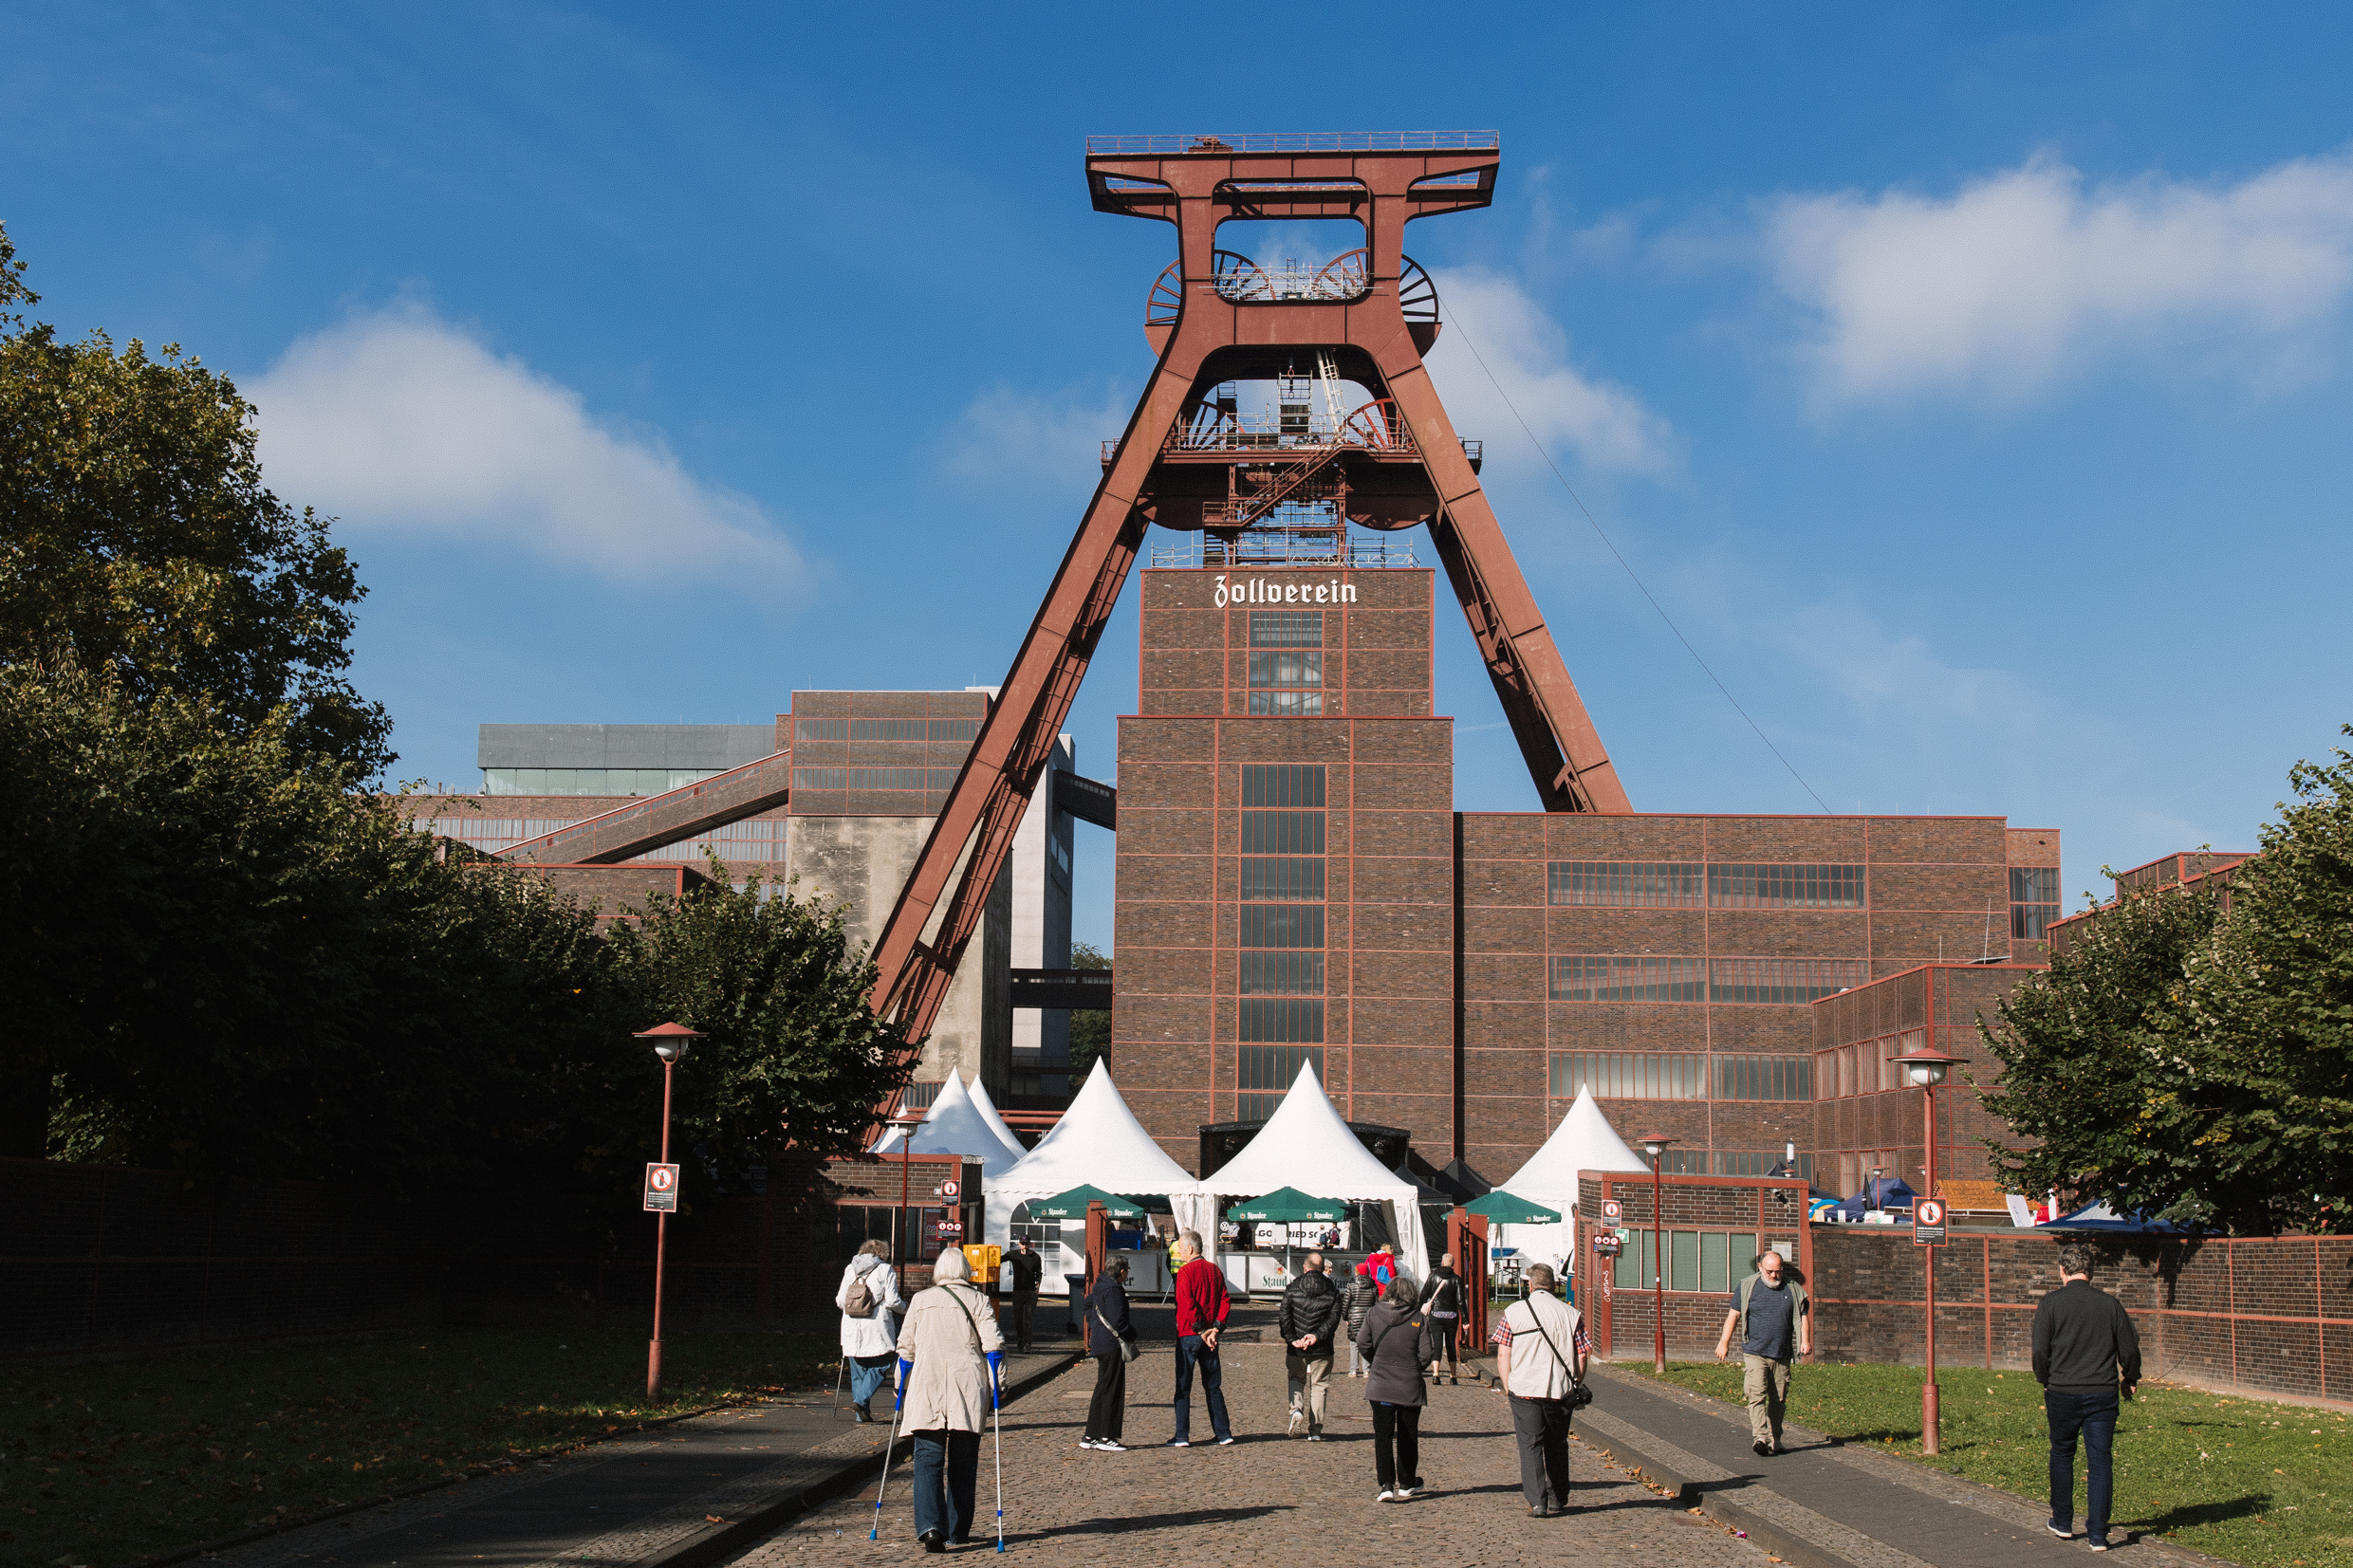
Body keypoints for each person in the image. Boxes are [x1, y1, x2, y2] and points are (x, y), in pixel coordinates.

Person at [894, 1246, 1005, 1552]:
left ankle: (930, 1527)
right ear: (966, 1271)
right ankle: (957, 1530)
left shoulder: (921, 1300)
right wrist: (999, 1385)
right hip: (966, 1387)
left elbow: (906, 1349)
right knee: (963, 1462)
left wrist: (900, 1385)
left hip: (926, 1385)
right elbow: (993, 1347)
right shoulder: (979, 1300)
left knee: (927, 1461)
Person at [2033, 1240, 2142, 1552]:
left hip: (2062, 1391)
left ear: (2062, 1270)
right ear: (2090, 1272)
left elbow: (2041, 1351)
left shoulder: (2051, 1304)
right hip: (2102, 1393)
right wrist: (2130, 1377)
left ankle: (2063, 1521)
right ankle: (2097, 1534)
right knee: (2100, 1461)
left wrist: (2045, 1378)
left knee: (2062, 1454)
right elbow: (2129, 1347)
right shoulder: (2110, 1305)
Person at [1492, 1263, 1590, 1518]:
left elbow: (1504, 1352)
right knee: (1557, 1443)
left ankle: (1537, 1501)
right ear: (1554, 1285)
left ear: (1529, 1284)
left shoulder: (1513, 1312)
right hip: (1560, 1390)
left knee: (1530, 1444)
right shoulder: (1572, 1314)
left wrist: (1507, 1383)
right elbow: (1582, 1355)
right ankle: (1558, 1497)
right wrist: (1575, 1381)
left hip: (1524, 1389)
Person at [1714, 1247, 1810, 1456]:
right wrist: (1724, 1343)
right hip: (1755, 1351)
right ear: (1760, 1268)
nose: (1774, 1275)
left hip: (1782, 1353)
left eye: (1777, 1271)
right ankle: (1760, 1437)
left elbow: (1803, 1316)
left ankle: (1775, 1438)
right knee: (1756, 1394)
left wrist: (1805, 1341)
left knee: (1779, 1400)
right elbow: (1734, 1315)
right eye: (1769, 1271)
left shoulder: (1792, 1289)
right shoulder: (1748, 1286)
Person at [1357, 1272, 1440, 1502]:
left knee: (1382, 1436)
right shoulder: (1418, 1318)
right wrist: (1413, 1367)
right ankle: (1406, 1481)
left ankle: (1385, 1484)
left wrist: (1377, 1361)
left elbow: (1362, 1342)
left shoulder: (1374, 1313)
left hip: (1381, 1385)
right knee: (1408, 1434)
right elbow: (1426, 1353)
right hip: (1409, 1386)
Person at [1169, 1230, 1234, 1447]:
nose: (1178, 1252)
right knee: (1213, 1386)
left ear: (1189, 1249)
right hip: (1209, 1338)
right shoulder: (1214, 1270)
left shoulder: (1185, 1273)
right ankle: (1223, 1432)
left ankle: (1181, 1436)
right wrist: (1215, 1328)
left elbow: (1186, 1303)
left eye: (1180, 1248)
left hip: (1189, 1335)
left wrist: (1201, 1329)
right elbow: (1225, 1301)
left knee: (1183, 1387)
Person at [836, 1239, 904, 1424]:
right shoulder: (885, 1270)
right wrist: (906, 1308)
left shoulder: (850, 1269)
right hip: (876, 1327)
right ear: (883, 1253)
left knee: (858, 1373)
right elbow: (892, 1301)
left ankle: (861, 1414)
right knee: (881, 1366)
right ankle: (861, 1401)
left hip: (851, 1327)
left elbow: (840, 1301)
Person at [1279, 1250, 1344, 1438]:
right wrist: (1316, 1336)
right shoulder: (1332, 1289)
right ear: (1323, 1268)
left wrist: (1292, 1339)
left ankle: (1296, 1410)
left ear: (1305, 1267)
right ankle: (1315, 1430)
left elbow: (1284, 1317)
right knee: (1319, 1386)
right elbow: (1334, 1319)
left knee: (1296, 1379)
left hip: (1297, 1347)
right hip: (1322, 1347)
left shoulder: (1293, 1287)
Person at [1082, 1254, 1137, 1451]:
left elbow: (1088, 1305)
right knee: (1113, 1389)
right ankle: (1107, 1436)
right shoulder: (1113, 1290)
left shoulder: (1100, 1286)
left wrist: (1095, 1325)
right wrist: (1132, 1333)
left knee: (1102, 1388)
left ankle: (1091, 1434)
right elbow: (1118, 1321)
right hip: (1112, 1344)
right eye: (1127, 1271)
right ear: (1122, 1272)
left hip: (1100, 1342)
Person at [1419, 1254, 1466, 1386]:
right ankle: (1453, 1375)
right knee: (1451, 1344)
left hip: (1436, 1315)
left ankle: (1436, 1374)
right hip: (1451, 1315)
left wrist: (1417, 1310)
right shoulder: (1456, 1279)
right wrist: (1466, 1319)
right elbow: (1461, 1301)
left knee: (1437, 1343)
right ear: (1453, 1264)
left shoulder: (1433, 1276)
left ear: (1442, 1262)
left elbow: (1424, 1294)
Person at [1005, 1237, 1045, 1352]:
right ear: (1019, 1244)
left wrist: (1037, 1286)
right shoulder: (1014, 1254)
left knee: (1028, 1319)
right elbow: (1000, 1259)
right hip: (1018, 1291)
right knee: (1017, 1318)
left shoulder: (1035, 1257)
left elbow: (1038, 1272)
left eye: (1026, 1244)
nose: (1025, 1246)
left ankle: (1027, 1343)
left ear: (1029, 1244)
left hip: (1030, 1291)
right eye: (1022, 1244)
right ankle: (1020, 1341)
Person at [1343, 1260, 1380, 1377]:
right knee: (1367, 1342)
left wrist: (1345, 1317)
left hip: (1354, 1316)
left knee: (1354, 1343)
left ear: (1357, 1273)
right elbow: (1376, 1304)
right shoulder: (1373, 1286)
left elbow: (1346, 1303)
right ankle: (1366, 1369)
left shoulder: (1351, 1286)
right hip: (1368, 1317)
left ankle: (1353, 1369)